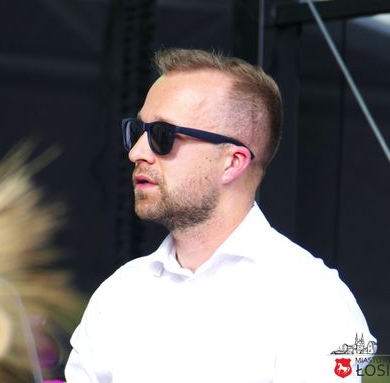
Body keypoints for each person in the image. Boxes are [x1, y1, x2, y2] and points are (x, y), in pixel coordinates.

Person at [65, 48, 375, 382]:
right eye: (137, 131)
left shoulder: (314, 298)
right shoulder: (119, 293)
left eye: (161, 135)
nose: (137, 152)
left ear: (232, 162)